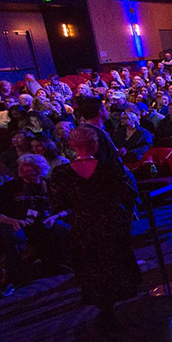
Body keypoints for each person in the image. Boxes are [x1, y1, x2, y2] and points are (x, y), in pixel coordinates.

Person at [49, 126, 141, 329]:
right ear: (96, 144)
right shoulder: (111, 167)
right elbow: (129, 194)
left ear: (71, 145)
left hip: (84, 224)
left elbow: (59, 204)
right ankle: (126, 305)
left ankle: (105, 308)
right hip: (112, 221)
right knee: (115, 261)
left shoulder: (62, 173)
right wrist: (124, 218)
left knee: (93, 265)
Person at [0, 154, 69, 295]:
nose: (20, 170)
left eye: (25, 167)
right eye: (20, 167)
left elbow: (68, 207)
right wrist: (12, 221)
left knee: (63, 228)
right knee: (15, 236)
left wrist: (56, 216)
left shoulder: (49, 186)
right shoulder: (9, 188)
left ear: (38, 170)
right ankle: (11, 277)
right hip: (15, 223)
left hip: (43, 222)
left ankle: (63, 266)